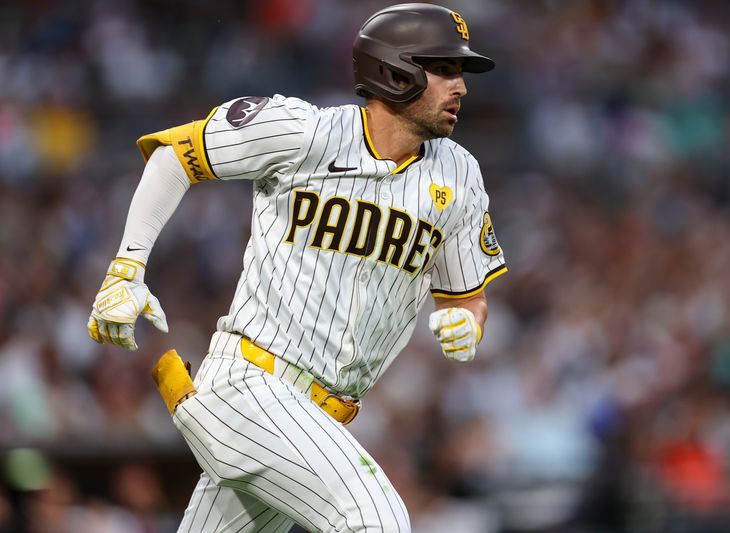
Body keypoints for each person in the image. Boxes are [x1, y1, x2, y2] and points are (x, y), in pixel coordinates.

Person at [87, 3, 507, 531]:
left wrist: (468, 321)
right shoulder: (305, 131)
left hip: (318, 417)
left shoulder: (459, 175)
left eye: (460, 72)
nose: (460, 86)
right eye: (444, 69)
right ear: (394, 70)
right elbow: (176, 154)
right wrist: (127, 266)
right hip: (248, 386)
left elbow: (466, 297)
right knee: (374, 517)